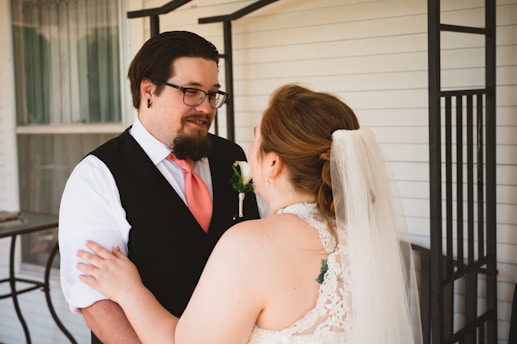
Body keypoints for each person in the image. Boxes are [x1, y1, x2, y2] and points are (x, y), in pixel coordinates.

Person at [76, 84, 423, 343]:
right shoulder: (363, 233)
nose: (248, 150)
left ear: (273, 163)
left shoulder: (251, 243)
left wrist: (129, 290)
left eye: (256, 140)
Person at [59, 31, 260, 344]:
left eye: (212, 94)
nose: (206, 108)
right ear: (149, 90)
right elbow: (96, 302)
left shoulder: (233, 156)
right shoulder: (96, 177)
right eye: (192, 92)